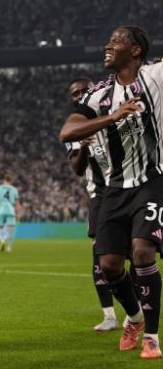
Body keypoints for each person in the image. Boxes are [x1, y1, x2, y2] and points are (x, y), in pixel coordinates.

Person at [60, 26, 162, 359]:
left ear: (135, 50)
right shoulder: (98, 95)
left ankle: (151, 337)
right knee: (110, 266)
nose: (108, 45)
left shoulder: (156, 76)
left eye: (117, 41)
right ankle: (134, 317)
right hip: (114, 189)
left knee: (142, 252)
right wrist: (112, 117)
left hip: (152, 181)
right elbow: (67, 131)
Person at [65, 77, 124, 332]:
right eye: (74, 94)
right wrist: (84, 148)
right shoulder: (74, 129)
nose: (79, 95)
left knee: (135, 254)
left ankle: (136, 311)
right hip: (99, 195)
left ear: (94, 91)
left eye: (83, 91)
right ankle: (109, 315)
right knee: (100, 256)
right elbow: (77, 169)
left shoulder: (112, 114)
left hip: (126, 187)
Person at [0, 174, 20, 252]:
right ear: (11, 181)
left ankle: (2, 239)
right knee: (10, 229)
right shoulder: (14, 189)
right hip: (10, 210)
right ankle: (9, 247)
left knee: (0, 227)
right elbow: (17, 203)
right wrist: (18, 213)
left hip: (1, 210)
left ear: (4, 180)